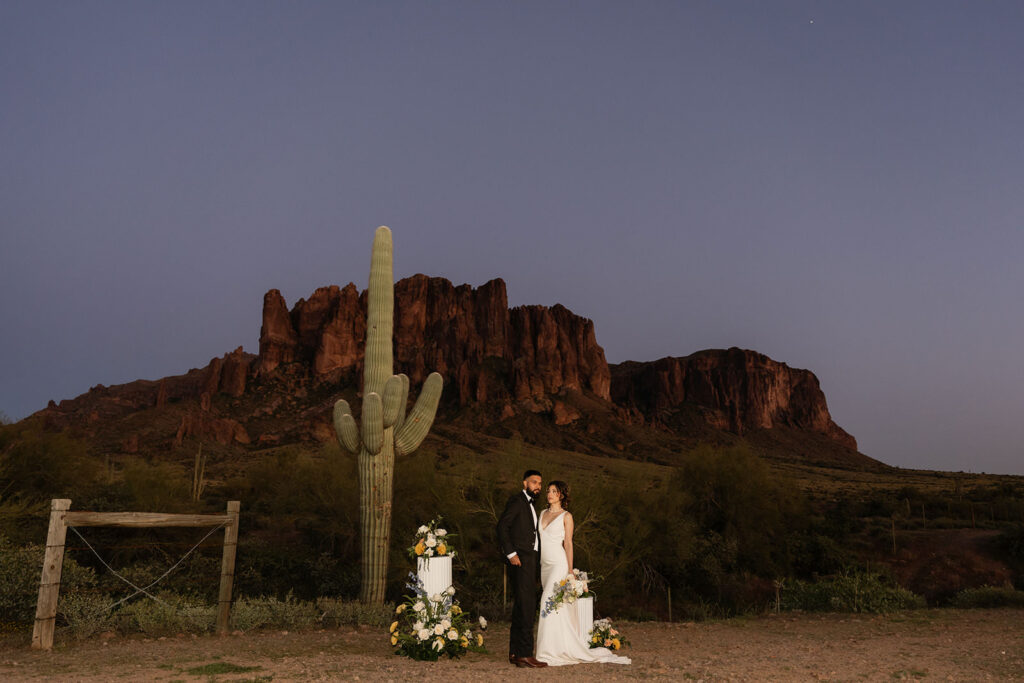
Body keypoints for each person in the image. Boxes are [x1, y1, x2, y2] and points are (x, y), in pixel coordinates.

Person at [534, 480, 631, 666]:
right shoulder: (541, 513)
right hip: (544, 565)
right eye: (548, 491)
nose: (549, 494)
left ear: (561, 495)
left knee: (547, 601)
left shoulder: (566, 516)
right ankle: (557, 645)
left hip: (558, 564)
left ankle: (545, 652)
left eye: (554, 491)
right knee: (556, 609)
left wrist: (570, 570)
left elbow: (568, 543)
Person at [496, 469, 549, 668]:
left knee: (521, 606)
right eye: (534, 482)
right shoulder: (518, 501)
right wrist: (511, 554)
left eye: (540, 483)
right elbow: (502, 527)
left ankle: (515, 652)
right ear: (524, 483)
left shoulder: (532, 505)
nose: (538, 486)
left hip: (530, 559)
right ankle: (526, 654)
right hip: (521, 559)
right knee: (527, 606)